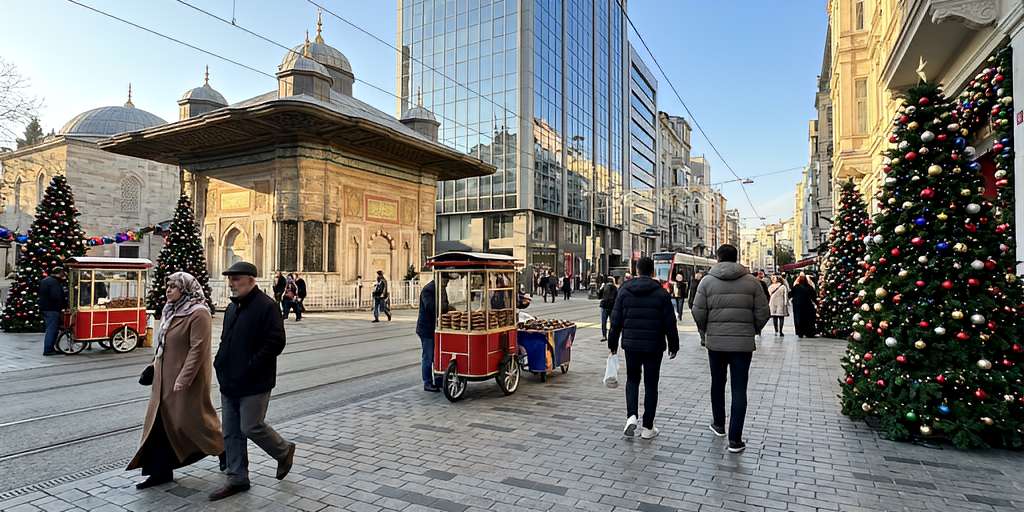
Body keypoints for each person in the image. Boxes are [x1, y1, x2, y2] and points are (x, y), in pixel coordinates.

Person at [128, 272, 223, 489]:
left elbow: (198, 350)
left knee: (194, 423)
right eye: (167, 286)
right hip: (163, 380)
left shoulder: (199, 313)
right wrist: (153, 367)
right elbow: (163, 345)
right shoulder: (170, 310)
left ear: (186, 289)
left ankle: (223, 449)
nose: (168, 290)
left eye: (173, 287)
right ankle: (160, 472)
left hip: (185, 381)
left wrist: (184, 379)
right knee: (159, 425)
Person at [209, 261, 295, 501]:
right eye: (230, 279)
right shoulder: (232, 308)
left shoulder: (267, 306)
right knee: (231, 432)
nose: (231, 283)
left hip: (255, 381)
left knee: (251, 426)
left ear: (251, 279)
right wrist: (219, 362)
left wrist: (251, 366)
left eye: (236, 278)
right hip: (230, 381)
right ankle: (237, 478)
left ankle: (284, 450)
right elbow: (226, 340)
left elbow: (276, 342)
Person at [691, 244, 770, 454]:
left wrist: (705, 331)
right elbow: (764, 312)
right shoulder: (752, 282)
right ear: (737, 258)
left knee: (717, 383)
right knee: (739, 389)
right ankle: (735, 439)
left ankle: (718, 424)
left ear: (718, 258)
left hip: (715, 344)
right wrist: (752, 330)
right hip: (742, 345)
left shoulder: (706, 281)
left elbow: (697, 311)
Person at [608, 257, 679, 440]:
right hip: (654, 346)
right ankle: (648, 427)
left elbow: (615, 320)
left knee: (632, 380)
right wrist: (673, 344)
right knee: (651, 384)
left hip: (631, 344)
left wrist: (612, 344)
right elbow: (669, 322)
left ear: (637, 271)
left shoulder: (624, 290)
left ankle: (631, 416)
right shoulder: (661, 293)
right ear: (653, 272)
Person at [415, 280, 441, 392]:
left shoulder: (440, 288)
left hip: (435, 328)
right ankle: (427, 383)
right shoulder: (428, 290)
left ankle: (439, 380)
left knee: (437, 355)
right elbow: (431, 307)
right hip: (426, 329)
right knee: (428, 356)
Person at [39, 267, 67, 356]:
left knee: (52, 329)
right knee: (52, 329)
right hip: (52, 309)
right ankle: (48, 349)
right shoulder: (54, 283)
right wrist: (63, 304)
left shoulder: (45, 280)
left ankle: (50, 348)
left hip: (46, 308)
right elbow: (56, 296)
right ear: (59, 274)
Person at [598, 277, 618, 341]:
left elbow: (599, 296)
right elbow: (617, 298)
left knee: (604, 322)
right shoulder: (615, 288)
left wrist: (601, 288)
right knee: (612, 322)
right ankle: (611, 335)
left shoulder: (604, 287)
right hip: (611, 307)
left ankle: (604, 336)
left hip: (604, 306)